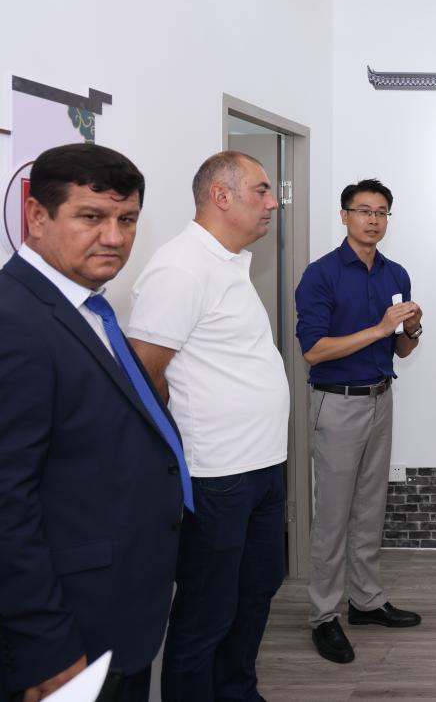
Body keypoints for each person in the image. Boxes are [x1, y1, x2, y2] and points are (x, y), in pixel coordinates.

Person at [0, 144, 187, 702]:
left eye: (127, 220)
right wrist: (46, 647)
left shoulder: (88, 308)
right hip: (65, 635)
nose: (114, 237)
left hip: (115, 610)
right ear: (36, 216)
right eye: (91, 217)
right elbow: (6, 502)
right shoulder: (15, 320)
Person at [129, 151, 289, 702]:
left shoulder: (228, 263)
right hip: (215, 474)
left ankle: (239, 692)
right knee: (207, 611)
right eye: (261, 190)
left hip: (263, 464)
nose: (273, 203)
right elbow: (145, 376)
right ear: (221, 196)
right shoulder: (181, 267)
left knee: (256, 592)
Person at [296, 179, 424, 664]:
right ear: (344, 215)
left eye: (382, 212)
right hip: (337, 402)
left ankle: (366, 601)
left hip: (380, 398)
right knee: (332, 516)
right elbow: (314, 350)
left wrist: (411, 328)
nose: (373, 219)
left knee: (371, 508)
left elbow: (402, 348)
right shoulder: (321, 275)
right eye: (364, 210)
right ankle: (324, 616)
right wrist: (380, 328)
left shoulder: (395, 273)